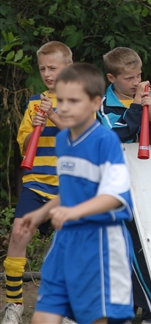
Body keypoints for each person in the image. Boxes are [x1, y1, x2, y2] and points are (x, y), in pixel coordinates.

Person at [16, 63, 134, 324]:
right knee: (42, 316)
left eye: (74, 101)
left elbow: (116, 196)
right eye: (61, 100)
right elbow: (72, 190)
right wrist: (41, 213)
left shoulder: (106, 141)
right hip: (65, 241)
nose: (65, 107)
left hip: (100, 243)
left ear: (95, 103)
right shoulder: (63, 140)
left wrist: (74, 211)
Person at [97, 47, 151, 324]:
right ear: (111, 78)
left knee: (148, 249)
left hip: (150, 189)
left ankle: (146, 310)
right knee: (128, 252)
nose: (137, 82)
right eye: (129, 78)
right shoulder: (103, 104)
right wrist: (137, 109)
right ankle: (149, 312)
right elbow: (114, 135)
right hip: (116, 191)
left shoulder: (150, 98)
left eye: (139, 75)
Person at [2, 42, 72, 324]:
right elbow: (25, 144)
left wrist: (53, 116)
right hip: (36, 183)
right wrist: (37, 125)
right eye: (43, 68)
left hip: (68, 187)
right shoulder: (34, 102)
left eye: (53, 68)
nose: (47, 74)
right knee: (18, 235)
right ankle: (14, 305)